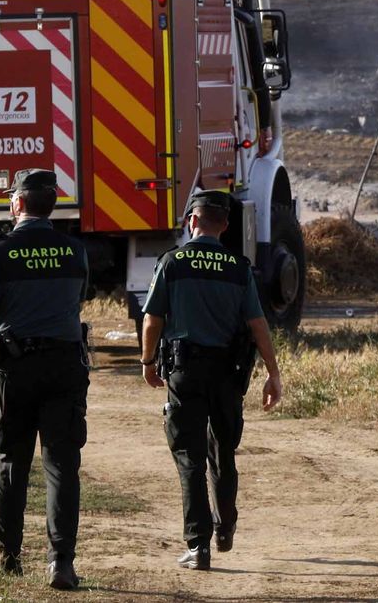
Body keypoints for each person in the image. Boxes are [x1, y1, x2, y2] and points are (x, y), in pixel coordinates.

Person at [140, 190, 282, 571]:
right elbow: (257, 325)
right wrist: (273, 373)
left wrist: (148, 362)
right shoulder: (239, 267)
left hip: (185, 373)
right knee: (223, 454)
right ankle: (225, 528)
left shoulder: (173, 262)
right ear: (225, 226)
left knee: (189, 457)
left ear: (191, 221)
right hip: (227, 375)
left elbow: (152, 319)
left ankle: (197, 544)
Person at [0, 169, 90, 591]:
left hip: (14, 372)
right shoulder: (75, 251)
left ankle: (7, 555)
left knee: (12, 463)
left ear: (17, 204)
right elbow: (75, 302)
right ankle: (62, 563)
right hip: (64, 369)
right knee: (62, 468)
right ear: (50, 205)